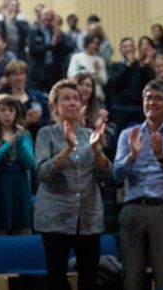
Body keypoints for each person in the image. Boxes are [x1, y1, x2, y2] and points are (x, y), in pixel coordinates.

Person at [114, 79, 163, 290]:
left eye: (158, 98)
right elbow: (117, 175)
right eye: (148, 98)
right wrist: (132, 155)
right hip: (132, 209)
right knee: (131, 280)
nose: (151, 102)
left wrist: (162, 156)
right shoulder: (127, 135)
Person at [34, 79, 111, 290]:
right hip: (55, 217)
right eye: (66, 99)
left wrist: (97, 151)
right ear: (54, 106)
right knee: (57, 280)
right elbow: (43, 173)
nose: (73, 103)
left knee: (89, 279)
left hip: (88, 216)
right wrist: (67, 149)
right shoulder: (45, 134)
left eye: (76, 99)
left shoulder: (90, 135)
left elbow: (107, 176)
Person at [0, 94, 35, 234]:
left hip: (20, 188)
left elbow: (31, 163)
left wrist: (20, 142)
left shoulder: (24, 135)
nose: (7, 114)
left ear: (16, 113)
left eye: (11, 110)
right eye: (2, 110)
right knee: (0, 233)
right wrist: (7, 144)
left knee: (22, 233)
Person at [108, 37, 154, 133]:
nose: (128, 49)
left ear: (135, 49)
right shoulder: (115, 66)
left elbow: (147, 83)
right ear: (121, 50)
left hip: (138, 107)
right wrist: (128, 65)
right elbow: (115, 83)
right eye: (125, 47)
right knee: (121, 137)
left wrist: (144, 65)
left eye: (130, 46)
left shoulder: (140, 65)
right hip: (120, 108)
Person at [27, 7, 75, 91]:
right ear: (40, 17)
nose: (48, 17)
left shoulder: (57, 32)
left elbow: (70, 48)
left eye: (51, 15)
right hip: (37, 72)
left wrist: (61, 38)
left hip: (54, 73)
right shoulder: (33, 31)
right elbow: (33, 51)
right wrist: (50, 45)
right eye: (46, 15)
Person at [4, 59, 50, 140]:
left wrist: (38, 121)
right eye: (15, 74)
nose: (18, 78)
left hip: (38, 140)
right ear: (8, 78)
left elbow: (48, 119)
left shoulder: (38, 96)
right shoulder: (4, 100)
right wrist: (26, 122)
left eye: (21, 73)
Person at [67, 33, 108, 105]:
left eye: (97, 43)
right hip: (79, 96)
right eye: (92, 43)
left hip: (96, 97)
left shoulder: (100, 60)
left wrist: (97, 72)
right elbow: (70, 75)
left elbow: (104, 81)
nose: (94, 46)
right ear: (87, 43)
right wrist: (88, 72)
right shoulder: (77, 57)